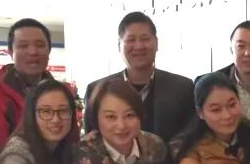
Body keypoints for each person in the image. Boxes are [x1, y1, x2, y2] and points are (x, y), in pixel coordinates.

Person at [84, 11, 196, 143]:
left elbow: (189, 139)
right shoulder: (96, 90)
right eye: (131, 40)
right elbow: (91, 142)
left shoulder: (183, 88)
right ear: (119, 45)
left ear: (156, 43)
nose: (138, 46)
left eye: (145, 39)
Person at [0, 18, 81, 149]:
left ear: (49, 51)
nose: (33, 52)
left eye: (40, 45)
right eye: (23, 46)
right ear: (11, 53)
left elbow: (72, 141)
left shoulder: (61, 95)